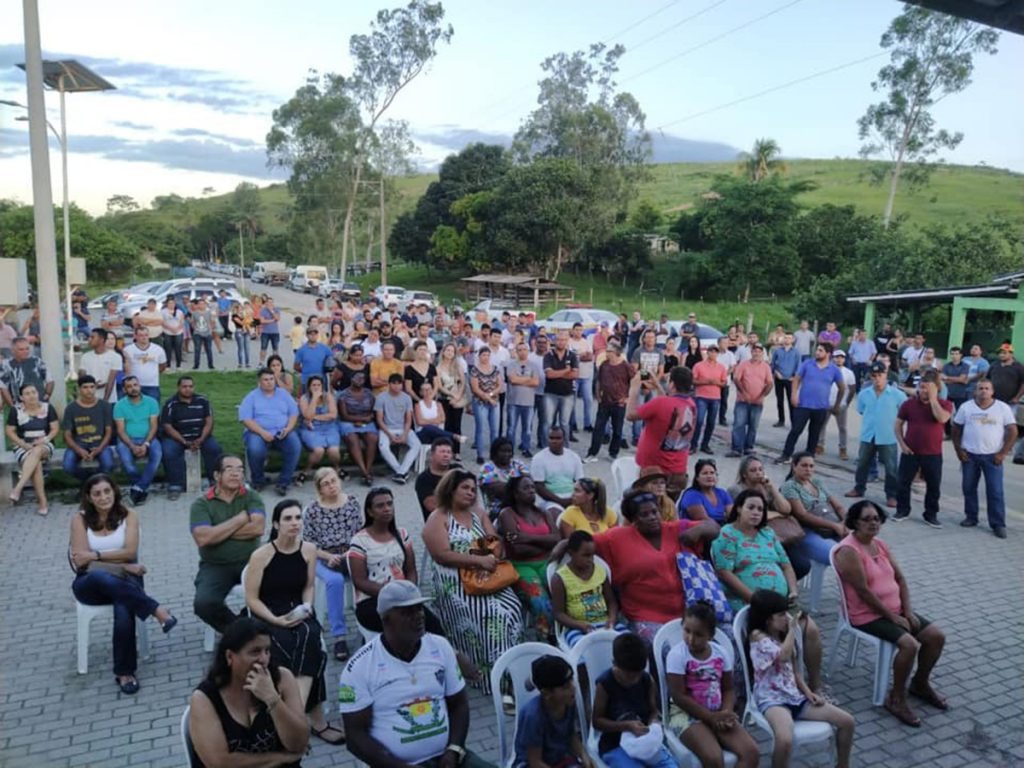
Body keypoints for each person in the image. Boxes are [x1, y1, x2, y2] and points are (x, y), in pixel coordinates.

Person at [339, 581, 494, 768]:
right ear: (386, 619)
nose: (419, 616)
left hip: (448, 758)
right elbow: (355, 737)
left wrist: (455, 748)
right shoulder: (359, 666)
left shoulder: (441, 647)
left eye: (420, 608)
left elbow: (459, 704)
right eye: (408, 611)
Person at [834, 501, 949, 728]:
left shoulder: (880, 544)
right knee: (909, 645)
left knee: (936, 636)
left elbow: (901, 579)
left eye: (876, 518)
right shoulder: (848, 550)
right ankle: (896, 698)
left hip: (894, 609)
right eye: (867, 519)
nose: (873, 523)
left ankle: (920, 683)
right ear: (855, 522)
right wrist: (892, 617)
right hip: (866, 614)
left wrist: (906, 611)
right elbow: (863, 592)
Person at [69, 474, 177, 694]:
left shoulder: (129, 515)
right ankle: (156, 610)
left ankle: (125, 672)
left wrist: (96, 556)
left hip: (125, 580)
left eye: (107, 491)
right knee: (100, 578)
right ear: (89, 498)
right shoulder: (79, 519)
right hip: (90, 583)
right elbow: (81, 562)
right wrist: (123, 566)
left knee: (124, 608)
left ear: (114, 492)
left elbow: (129, 552)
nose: (103, 497)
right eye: (97, 493)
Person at [243, 499, 340, 744]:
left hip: (296, 609)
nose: (295, 523)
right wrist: (276, 619)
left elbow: (308, 587)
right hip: (267, 612)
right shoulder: (261, 555)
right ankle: (315, 723)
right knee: (304, 646)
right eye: (288, 518)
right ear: (276, 524)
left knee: (308, 635)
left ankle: (289, 719)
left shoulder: (308, 549)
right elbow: (252, 599)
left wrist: (306, 608)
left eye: (298, 517)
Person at [711, 490, 828, 689]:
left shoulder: (767, 533)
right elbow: (724, 573)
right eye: (751, 507)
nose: (756, 512)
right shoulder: (728, 535)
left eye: (760, 509)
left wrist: (793, 590)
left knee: (812, 630)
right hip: (749, 602)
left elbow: (786, 565)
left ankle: (816, 685)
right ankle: (781, 684)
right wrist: (756, 599)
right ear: (739, 508)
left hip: (780, 602)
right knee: (775, 637)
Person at [422, 469, 523, 694]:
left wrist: (494, 550)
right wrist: (477, 560)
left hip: (487, 577)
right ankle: (490, 680)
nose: (470, 493)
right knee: (492, 616)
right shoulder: (438, 517)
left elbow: (494, 540)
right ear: (451, 489)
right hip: (455, 583)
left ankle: (511, 675)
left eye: (473, 489)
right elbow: (441, 555)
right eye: (465, 488)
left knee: (513, 608)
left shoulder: (478, 513)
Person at [745, 589, 855, 767]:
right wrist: (792, 630)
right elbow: (783, 656)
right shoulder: (758, 637)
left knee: (847, 722)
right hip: (773, 700)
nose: (786, 618)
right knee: (785, 739)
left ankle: (842, 765)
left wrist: (808, 692)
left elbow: (795, 671)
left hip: (794, 696)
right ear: (767, 618)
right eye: (781, 615)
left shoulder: (782, 635)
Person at [593, 489, 718, 643]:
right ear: (633, 519)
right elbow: (584, 541)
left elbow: (713, 527)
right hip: (645, 617)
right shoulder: (617, 538)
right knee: (666, 649)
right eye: (644, 515)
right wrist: (563, 545)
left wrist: (697, 530)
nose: (652, 517)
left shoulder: (675, 529)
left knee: (719, 641)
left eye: (654, 512)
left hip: (687, 613)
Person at [189, 617, 309, 767]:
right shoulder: (204, 698)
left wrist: (273, 700)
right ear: (229, 657)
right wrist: (280, 758)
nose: (264, 659)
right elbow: (219, 763)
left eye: (267, 651)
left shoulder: (282, 678)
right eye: (255, 652)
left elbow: (298, 744)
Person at [665, 603, 760, 768]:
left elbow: (728, 689)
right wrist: (710, 718)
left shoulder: (720, 653)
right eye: (687, 631)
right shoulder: (677, 656)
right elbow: (679, 696)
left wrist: (727, 712)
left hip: (718, 712)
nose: (691, 639)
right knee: (714, 758)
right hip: (686, 715)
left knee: (751, 752)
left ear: (711, 635)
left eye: (699, 634)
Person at [191, 454, 267, 634]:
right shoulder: (201, 504)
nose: (236, 474)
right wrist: (240, 519)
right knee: (204, 603)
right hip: (215, 565)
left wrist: (217, 532)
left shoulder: (251, 497)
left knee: (276, 589)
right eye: (230, 469)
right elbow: (203, 539)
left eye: (240, 469)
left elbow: (257, 528)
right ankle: (240, 633)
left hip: (251, 561)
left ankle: (246, 626)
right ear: (217, 475)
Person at [303, 467, 363, 661]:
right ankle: (339, 636)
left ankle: (365, 626)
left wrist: (350, 553)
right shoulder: (313, 510)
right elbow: (308, 544)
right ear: (319, 489)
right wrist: (328, 557)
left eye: (334, 481)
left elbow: (361, 533)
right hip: (323, 556)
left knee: (366, 575)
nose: (331, 486)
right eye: (326, 484)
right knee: (335, 581)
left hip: (350, 552)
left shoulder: (352, 502)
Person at [592, 632, 677, 768]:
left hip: (643, 740)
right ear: (615, 663)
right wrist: (626, 726)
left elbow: (653, 711)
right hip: (614, 744)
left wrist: (653, 723)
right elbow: (597, 722)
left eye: (638, 674)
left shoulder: (646, 680)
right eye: (629, 676)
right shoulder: (605, 684)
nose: (635, 680)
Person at [498, 476, 560, 640]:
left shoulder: (543, 512)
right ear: (515, 493)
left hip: (548, 563)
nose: (532, 490)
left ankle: (567, 634)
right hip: (522, 566)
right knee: (540, 602)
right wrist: (545, 543)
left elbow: (557, 539)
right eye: (526, 488)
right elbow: (517, 549)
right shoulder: (507, 514)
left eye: (533, 487)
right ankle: (547, 640)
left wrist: (527, 538)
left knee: (565, 592)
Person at [952, 379, 1016, 538]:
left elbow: (1013, 431)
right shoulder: (966, 407)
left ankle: (998, 524)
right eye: (980, 388)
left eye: (987, 388)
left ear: (992, 391)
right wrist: (959, 450)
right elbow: (955, 429)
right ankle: (971, 517)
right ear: (975, 391)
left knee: (995, 491)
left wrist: (1002, 453)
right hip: (970, 455)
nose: (983, 391)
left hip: (993, 457)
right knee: (968, 487)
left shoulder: (1002, 408)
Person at [626, 366, 697, 500]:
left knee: (649, 510)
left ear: (672, 384)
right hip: (678, 469)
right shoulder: (691, 404)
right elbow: (669, 404)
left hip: (654, 470)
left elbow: (630, 415)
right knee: (669, 511)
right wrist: (658, 385)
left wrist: (633, 388)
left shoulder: (660, 403)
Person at [893, 371, 952, 527]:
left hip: (933, 453)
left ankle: (930, 514)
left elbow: (942, 418)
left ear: (936, 389)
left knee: (933, 485)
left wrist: (933, 399)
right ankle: (902, 510)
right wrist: (902, 444)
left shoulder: (945, 404)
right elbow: (898, 425)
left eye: (928, 388)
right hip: (910, 451)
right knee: (903, 483)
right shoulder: (909, 404)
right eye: (922, 387)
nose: (924, 391)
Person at [845, 361, 906, 508]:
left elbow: (903, 415)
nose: (877, 378)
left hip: (887, 436)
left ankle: (891, 495)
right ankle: (859, 488)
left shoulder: (898, 395)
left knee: (891, 468)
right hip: (868, 435)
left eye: (880, 375)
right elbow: (861, 410)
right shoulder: (865, 394)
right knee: (863, 463)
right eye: (874, 376)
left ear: (886, 375)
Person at [513, 655, 592, 768]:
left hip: (559, 758)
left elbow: (570, 735)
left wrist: (584, 756)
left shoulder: (568, 702)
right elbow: (535, 762)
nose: (573, 687)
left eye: (572, 680)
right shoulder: (533, 716)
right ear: (547, 694)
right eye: (565, 686)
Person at [551, 530, 625, 647]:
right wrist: (580, 625)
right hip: (577, 627)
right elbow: (558, 613)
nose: (590, 559)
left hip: (606, 623)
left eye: (592, 555)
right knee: (584, 650)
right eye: (585, 555)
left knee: (628, 642)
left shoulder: (600, 571)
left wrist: (611, 619)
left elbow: (611, 601)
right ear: (571, 553)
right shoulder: (560, 578)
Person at [779, 453, 847, 577]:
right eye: (804, 465)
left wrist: (845, 522)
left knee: (862, 548)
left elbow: (838, 506)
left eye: (811, 466)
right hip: (808, 531)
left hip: (833, 527)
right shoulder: (789, 486)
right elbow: (802, 515)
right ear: (794, 466)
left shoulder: (817, 482)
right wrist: (834, 526)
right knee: (839, 555)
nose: (808, 469)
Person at [778, 343, 845, 464]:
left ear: (828, 354)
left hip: (820, 407)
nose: (817, 352)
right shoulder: (808, 363)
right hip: (803, 405)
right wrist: (794, 395)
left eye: (820, 350)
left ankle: (809, 457)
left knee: (814, 434)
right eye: (817, 350)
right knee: (795, 430)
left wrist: (836, 405)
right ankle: (786, 454)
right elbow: (797, 379)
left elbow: (842, 388)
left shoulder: (833, 369)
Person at [240, 368, 301, 496]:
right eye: (265, 380)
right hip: (258, 432)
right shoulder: (252, 397)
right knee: (255, 449)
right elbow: (246, 419)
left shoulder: (284, 394)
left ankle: (283, 483)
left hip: (282, 431)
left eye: (271, 379)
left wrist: (288, 428)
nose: (269, 382)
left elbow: (294, 413)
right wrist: (262, 432)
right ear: (259, 382)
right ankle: (258, 481)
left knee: (295, 446)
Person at [160, 375, 221, 502]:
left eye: (190, 386)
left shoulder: (203, 400)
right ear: (178, 388)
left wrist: (202, 439)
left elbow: (209, 421)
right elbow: (167, 426)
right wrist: (184, 441)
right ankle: (176, 485)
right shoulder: (170, 404)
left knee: (214, 448)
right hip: (177, 437)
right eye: (184, 387)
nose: (187, 389)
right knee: (169, 451)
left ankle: (215, 481)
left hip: (201, 436)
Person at [5, 382, 58, 515]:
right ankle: (43, 502)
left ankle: (18, 488)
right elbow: (10, 431)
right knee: (37, 463)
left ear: (38, 393)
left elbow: (55, 429)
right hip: (23, 445)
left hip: (45, 443)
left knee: (38, 450)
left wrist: (44, 440)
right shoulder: (15, 410)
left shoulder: (47, 407)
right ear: (22, 397)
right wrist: (23, 445)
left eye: (33, 392)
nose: (31, 396)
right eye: (27, 394)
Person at [112, 375, 162, 506]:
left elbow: (154, 426)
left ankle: (137, 489)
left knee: (157, 455)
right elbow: (121, 430)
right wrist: (132, 446)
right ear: (124, 390)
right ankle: (141, 489)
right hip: (127, 439)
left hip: (148, 438)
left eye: (135, 385)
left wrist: (146, 443)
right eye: (129, 387)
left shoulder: (151, 402)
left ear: (139, 386)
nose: (133, 389)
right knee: (127, 461)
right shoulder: (119, 405)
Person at [62, 375, 116, 481]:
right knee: (68, 466)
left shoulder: (104, 406)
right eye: (85, 387)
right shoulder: (71, 408)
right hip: (79, 445)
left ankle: (94, 484)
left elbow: (109, 431)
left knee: (108, 464)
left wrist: (99, 449)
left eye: (92, 387)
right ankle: (89, 481)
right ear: (79, 389)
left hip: (100, 444)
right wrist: (79, 450)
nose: (89, 390)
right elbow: (67, 434)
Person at [586, 341, 632, 463]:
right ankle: (592, 452)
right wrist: (597, 395)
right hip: (604, 402)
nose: (606, 353)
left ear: (616, 352)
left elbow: (634, 382)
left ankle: (613, 453)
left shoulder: (626, 366)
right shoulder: (604, 365)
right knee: (598, 428)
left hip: (619, 403)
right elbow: (599, 381)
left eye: (609, 351)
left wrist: (628, 398)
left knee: (617, 429)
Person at [375, 372, 421, 484]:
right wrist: (390, 435)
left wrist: (405, 434)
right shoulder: (381, 397)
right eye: (394, 383)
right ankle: (401, 472)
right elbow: (379, 419)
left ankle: (400, 472)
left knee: (417, 445)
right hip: (387, 428)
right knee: (383, 447)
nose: (397, 386)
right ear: (389, 384)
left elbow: (408, 419)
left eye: (399, 384)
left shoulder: (406, 398)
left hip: (403, 428)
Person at [728, 342, 773, 458]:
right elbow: (737, 379)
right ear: (751, 352)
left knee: (753, 426)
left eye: (759, 351)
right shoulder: (743, 364)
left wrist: (762, 396)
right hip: (742, 400)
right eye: (754, 351)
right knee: (739, 424)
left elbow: (770, 383)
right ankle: (737, 448)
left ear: (762, 353)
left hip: (757, 402)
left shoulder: (766, 367)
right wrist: (744, 393)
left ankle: (748, 447)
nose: (756, 353)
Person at [297, 375, 342, 482]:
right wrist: (315, 398)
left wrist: (314, 417)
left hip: (329, 427)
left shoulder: (328, 397)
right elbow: (307, 415)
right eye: (314, 385)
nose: (316, 387)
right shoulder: (304, 398)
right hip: (311, 429)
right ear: (309, 387)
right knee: (319, 450)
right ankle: (306, 471)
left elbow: (333, 415)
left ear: (322, 386)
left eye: (319, 385)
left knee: (334, 451)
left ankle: (337, 468)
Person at [531, 426, 585, 514]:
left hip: (573, 498)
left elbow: (581, 482)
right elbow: (539, 487)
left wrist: (575, 498)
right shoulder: (538, 459)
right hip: (549, 500)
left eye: (558, 438)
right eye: (551, 438)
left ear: (564, 439)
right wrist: (561, 501)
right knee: (555, 513)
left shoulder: (574, 457)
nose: (554, 441)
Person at [478, 436, 530, 521]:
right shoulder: (487, 468)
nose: (507, 454)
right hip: (497, 509)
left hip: (521, 506)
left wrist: (514, 487)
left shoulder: (517, 464)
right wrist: (520, 487)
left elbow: (529, 482)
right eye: (503, 451)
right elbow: (498, 490)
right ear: (495, 452)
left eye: (509, 451)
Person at [507, 341, 542, 458]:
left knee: (527, 429)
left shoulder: (534, 366)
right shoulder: (511, 365)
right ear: (516, 352)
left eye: (524, 349)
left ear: (528, 351)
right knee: (511, 428)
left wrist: (519, 379)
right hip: (513, 401)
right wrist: (528, 379)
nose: (522, 352)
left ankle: (526, 448)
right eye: (519, 350)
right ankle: (509, 449)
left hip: (528, 402)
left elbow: (536, 382)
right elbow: (512, 380)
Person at [470, 346, 503, 464]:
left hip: (494, 401)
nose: (486, 357)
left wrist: (492, 394)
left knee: (495, 429)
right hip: (480, 402)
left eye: (488, 355)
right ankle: (480, 454)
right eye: (483, 355)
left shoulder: (495, 368)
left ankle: (494, 454)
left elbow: (500, 385)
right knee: (481, 428)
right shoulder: (475, 370)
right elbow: (475, 388)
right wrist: (488, 398)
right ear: (479, 356)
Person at [544, 330, 579, 438]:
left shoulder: (572, 356)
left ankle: (565, 448)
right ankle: (547, 449)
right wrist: (566, 371)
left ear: (567, 341)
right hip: (551, 394)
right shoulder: (548, 355)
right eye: (558, 340)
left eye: (563, 340)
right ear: (555, 341)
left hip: (567, 394)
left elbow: (575, 375)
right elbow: (549, 375)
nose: (561, 342)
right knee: (549, 423)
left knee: (565, 424)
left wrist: (557, 373)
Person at [0, 336, 53, 406]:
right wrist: (13, 406)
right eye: (21, 349)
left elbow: (50, 380)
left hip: (40, 404)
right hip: (19, 405)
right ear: (13, 350)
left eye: (27, 349)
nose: (25, 352)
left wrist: (47, 395)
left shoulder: (37, 361)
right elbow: (3, 387)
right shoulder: (6, 365)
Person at [437, 341, 469, 451]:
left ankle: (456, 452)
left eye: (452, 351)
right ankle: (447, 450)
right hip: (444, 399)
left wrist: (458, 396)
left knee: (457, 425)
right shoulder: (438, 368)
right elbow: (439, 386)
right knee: (447, 425)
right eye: (448, 350)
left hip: (457, 399)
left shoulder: (458, 366)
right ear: (443, 352)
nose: (450, 353)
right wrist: (451, 394)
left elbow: (463, 383)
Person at [677, 459, 732, 523]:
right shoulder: (691, 495)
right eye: (705, 473)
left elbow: (733, 515)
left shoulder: (722, 493)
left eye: (712, 473)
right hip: (699, 530)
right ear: (697, 478)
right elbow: (705, 521)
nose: (709, 476)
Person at [122, 326, 167, 403]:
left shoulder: (158, 349)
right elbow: (124, 367)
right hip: (133, 385)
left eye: (146, 335)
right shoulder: (127, 350)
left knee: (153, 409)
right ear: (135, 336)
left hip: (152, 385)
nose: (144, 337)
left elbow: (162, 365)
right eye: (141, 335)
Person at [79, 328, 121, 403]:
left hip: (109, 400)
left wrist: (105, 402)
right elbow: (82, 379)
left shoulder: (115, 357)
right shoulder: (85, 356)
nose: (89, 339)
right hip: (89, 401)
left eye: (92, 337)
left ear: (101, 340)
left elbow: (111, 381)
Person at [769, 333, 800, 428]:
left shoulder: (796, 352)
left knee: (791, 401)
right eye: (785, 338)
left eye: (789, 338)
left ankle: (794, 421)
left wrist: (794, 376)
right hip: (779, 378)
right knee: (780, 400)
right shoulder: (777, 351)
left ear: (793, 340)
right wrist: (776, 372)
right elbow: (773, 364)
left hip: (790, 379)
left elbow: (798, 365)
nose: (787, 339)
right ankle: (781, 420)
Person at [293, 326, 333, 395]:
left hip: (321, 381)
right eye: (310, 334)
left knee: (322, 402)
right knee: (306, 401)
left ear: (318, 335)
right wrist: (306, 371)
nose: (313, 335)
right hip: (306, 381)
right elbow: (296, 366)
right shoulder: (301, 350)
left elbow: (332, 361)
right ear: (307, 335)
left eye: (315, 333)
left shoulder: (325, 348)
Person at [189, 297, 218, 370]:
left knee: (209, 349)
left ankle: (210, 365)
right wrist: (195, 328)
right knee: (197, 349)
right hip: (197, 333)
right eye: (200, 304)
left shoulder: (209, 312)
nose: (201, 305)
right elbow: (192, 322)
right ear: (198, 305)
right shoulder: (195, 313)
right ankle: (196, 365)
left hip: (207, 333)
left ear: (205, 305)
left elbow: (213, 321)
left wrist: (210, 328)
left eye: (203, 304)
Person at [160, 295, 185, 369]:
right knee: (168, 348)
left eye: (173, 303)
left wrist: (177, 328)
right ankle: (168, 365)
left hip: (178, 332)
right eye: (169, 303)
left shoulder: (179, 311)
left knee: (178, 348)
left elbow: (182, 321)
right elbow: (162, 322)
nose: (171, 305)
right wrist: (170, 328)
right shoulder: (163, 312)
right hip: (167, 332)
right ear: (167, 304)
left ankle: (178, 365)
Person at [258, 296, 282, 364]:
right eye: (268, 302)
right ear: (266, 303)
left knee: (275, 348)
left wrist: (271, 311)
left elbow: (277, 318)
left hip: (275, 332)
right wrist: (272, 320)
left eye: (271, 302)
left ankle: (276, 363)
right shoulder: (263, 310)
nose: (270, 304)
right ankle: (261, 362)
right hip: (265, 332)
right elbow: (262, 321)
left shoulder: (276, 309)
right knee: (263, 348)